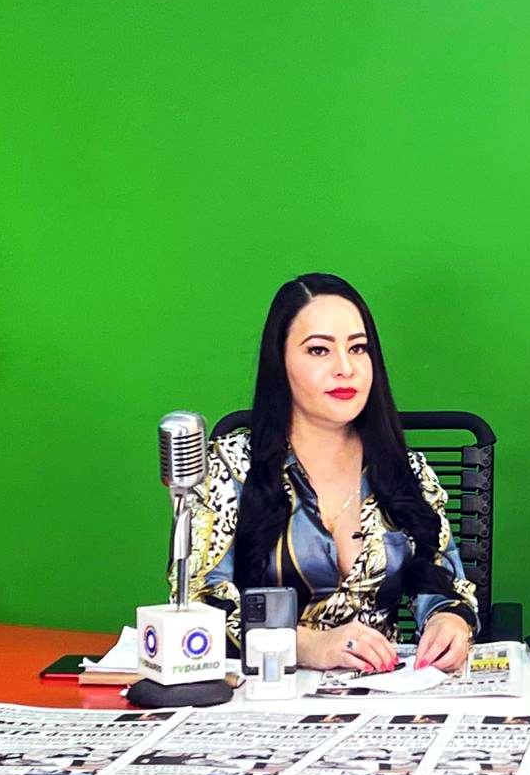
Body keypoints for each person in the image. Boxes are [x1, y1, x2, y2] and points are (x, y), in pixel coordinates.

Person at [180, 274, 478, 672]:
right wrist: (306, 645)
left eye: (358, 348)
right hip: (268, 691)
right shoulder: (228, 469)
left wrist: (449, 621)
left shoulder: (407, 470)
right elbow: (197, 604)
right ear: (280, 363)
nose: (345, 368)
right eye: (319, 350)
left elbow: (443, 580)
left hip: (381, 693)